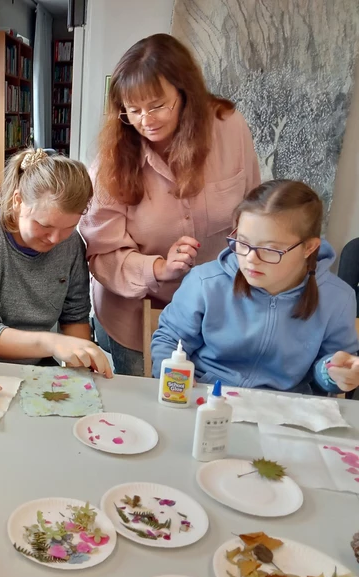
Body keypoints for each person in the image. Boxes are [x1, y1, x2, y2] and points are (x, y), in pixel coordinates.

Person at [79, 33, 261, 376]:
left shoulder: (230, 128)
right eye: (132, 110)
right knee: (145, 412)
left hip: (217, 314)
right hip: (134, 319)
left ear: (184, 92)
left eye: (157, 105)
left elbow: (253, 212)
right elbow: (102, 255)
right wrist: (158, 268)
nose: (145, 120)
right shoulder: (110, 164)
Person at [151, 180, 359, 394]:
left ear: (309, 247)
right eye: (242, 242)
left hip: (283, 411)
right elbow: (169, 339)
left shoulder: (338, 298)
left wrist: (333, 372)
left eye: (270, 250)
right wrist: (178, 379)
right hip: (207, 397)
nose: (251, 259)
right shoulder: (205, 282)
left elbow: (330, 369)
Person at [0, 148, 112, 374]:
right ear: (18, 200)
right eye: (44, 225)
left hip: (32, 365)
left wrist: (82, 368)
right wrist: (52, 343)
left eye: (68, 227)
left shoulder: (70, 243)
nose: (55, 239)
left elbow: (75, 316)